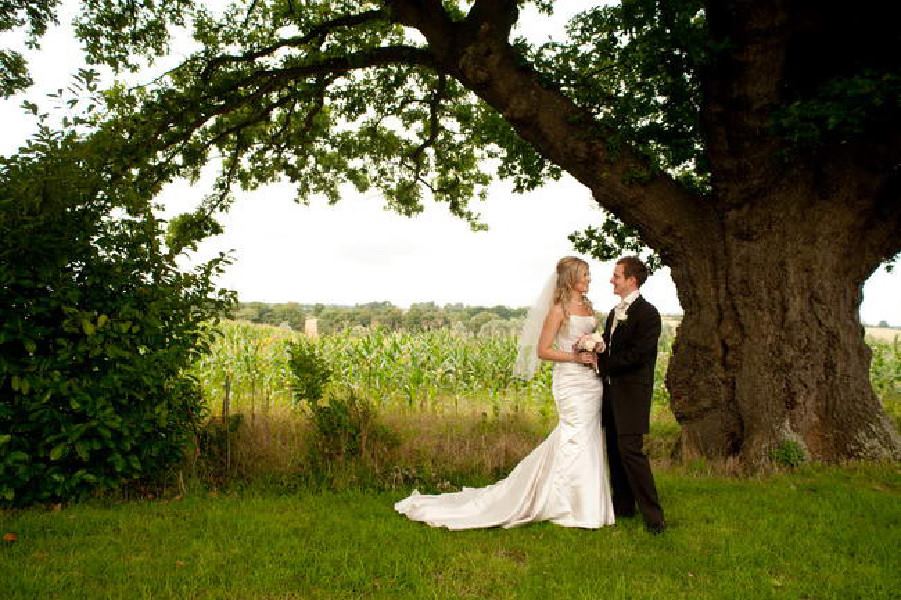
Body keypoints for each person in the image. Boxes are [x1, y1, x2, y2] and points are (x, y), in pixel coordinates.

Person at [394, 257, 614, 529]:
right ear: (570, 278)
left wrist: (595, 349)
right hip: (570, 381)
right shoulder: (558, 310)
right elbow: (543, 351)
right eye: (585, 274)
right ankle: (566, 504)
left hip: (591, 381)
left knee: (588, 436)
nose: (589, 279)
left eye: (588, 274)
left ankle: (585, 503)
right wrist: (575, 357)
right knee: (574, 436)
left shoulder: (587, 306)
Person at [594, 256, 666, 534]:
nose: (612, 280)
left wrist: (604, 362)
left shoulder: (648, 314)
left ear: (631, 281)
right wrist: (595, 347)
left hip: (633, 395)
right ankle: (623, 506)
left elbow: (638, 356)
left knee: (631, 452)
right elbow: (609, 345)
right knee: (613, 449)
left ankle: (654, 517)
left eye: (617, 275)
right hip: (611, 393)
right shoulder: (614, 313)